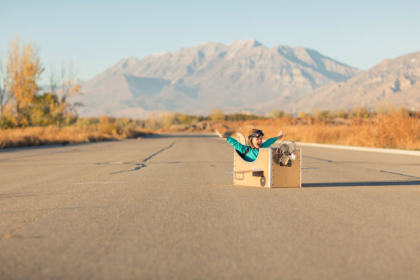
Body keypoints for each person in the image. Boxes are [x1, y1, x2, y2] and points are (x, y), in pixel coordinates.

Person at [215, 128, 283, 162]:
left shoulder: (263, 146)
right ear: (251, 140)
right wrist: (224, 136)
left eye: (261, 139)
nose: (260, 141)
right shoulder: (246, 149)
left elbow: (270, 141)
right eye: (257, 139)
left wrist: (279, 136)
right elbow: (235, 143)